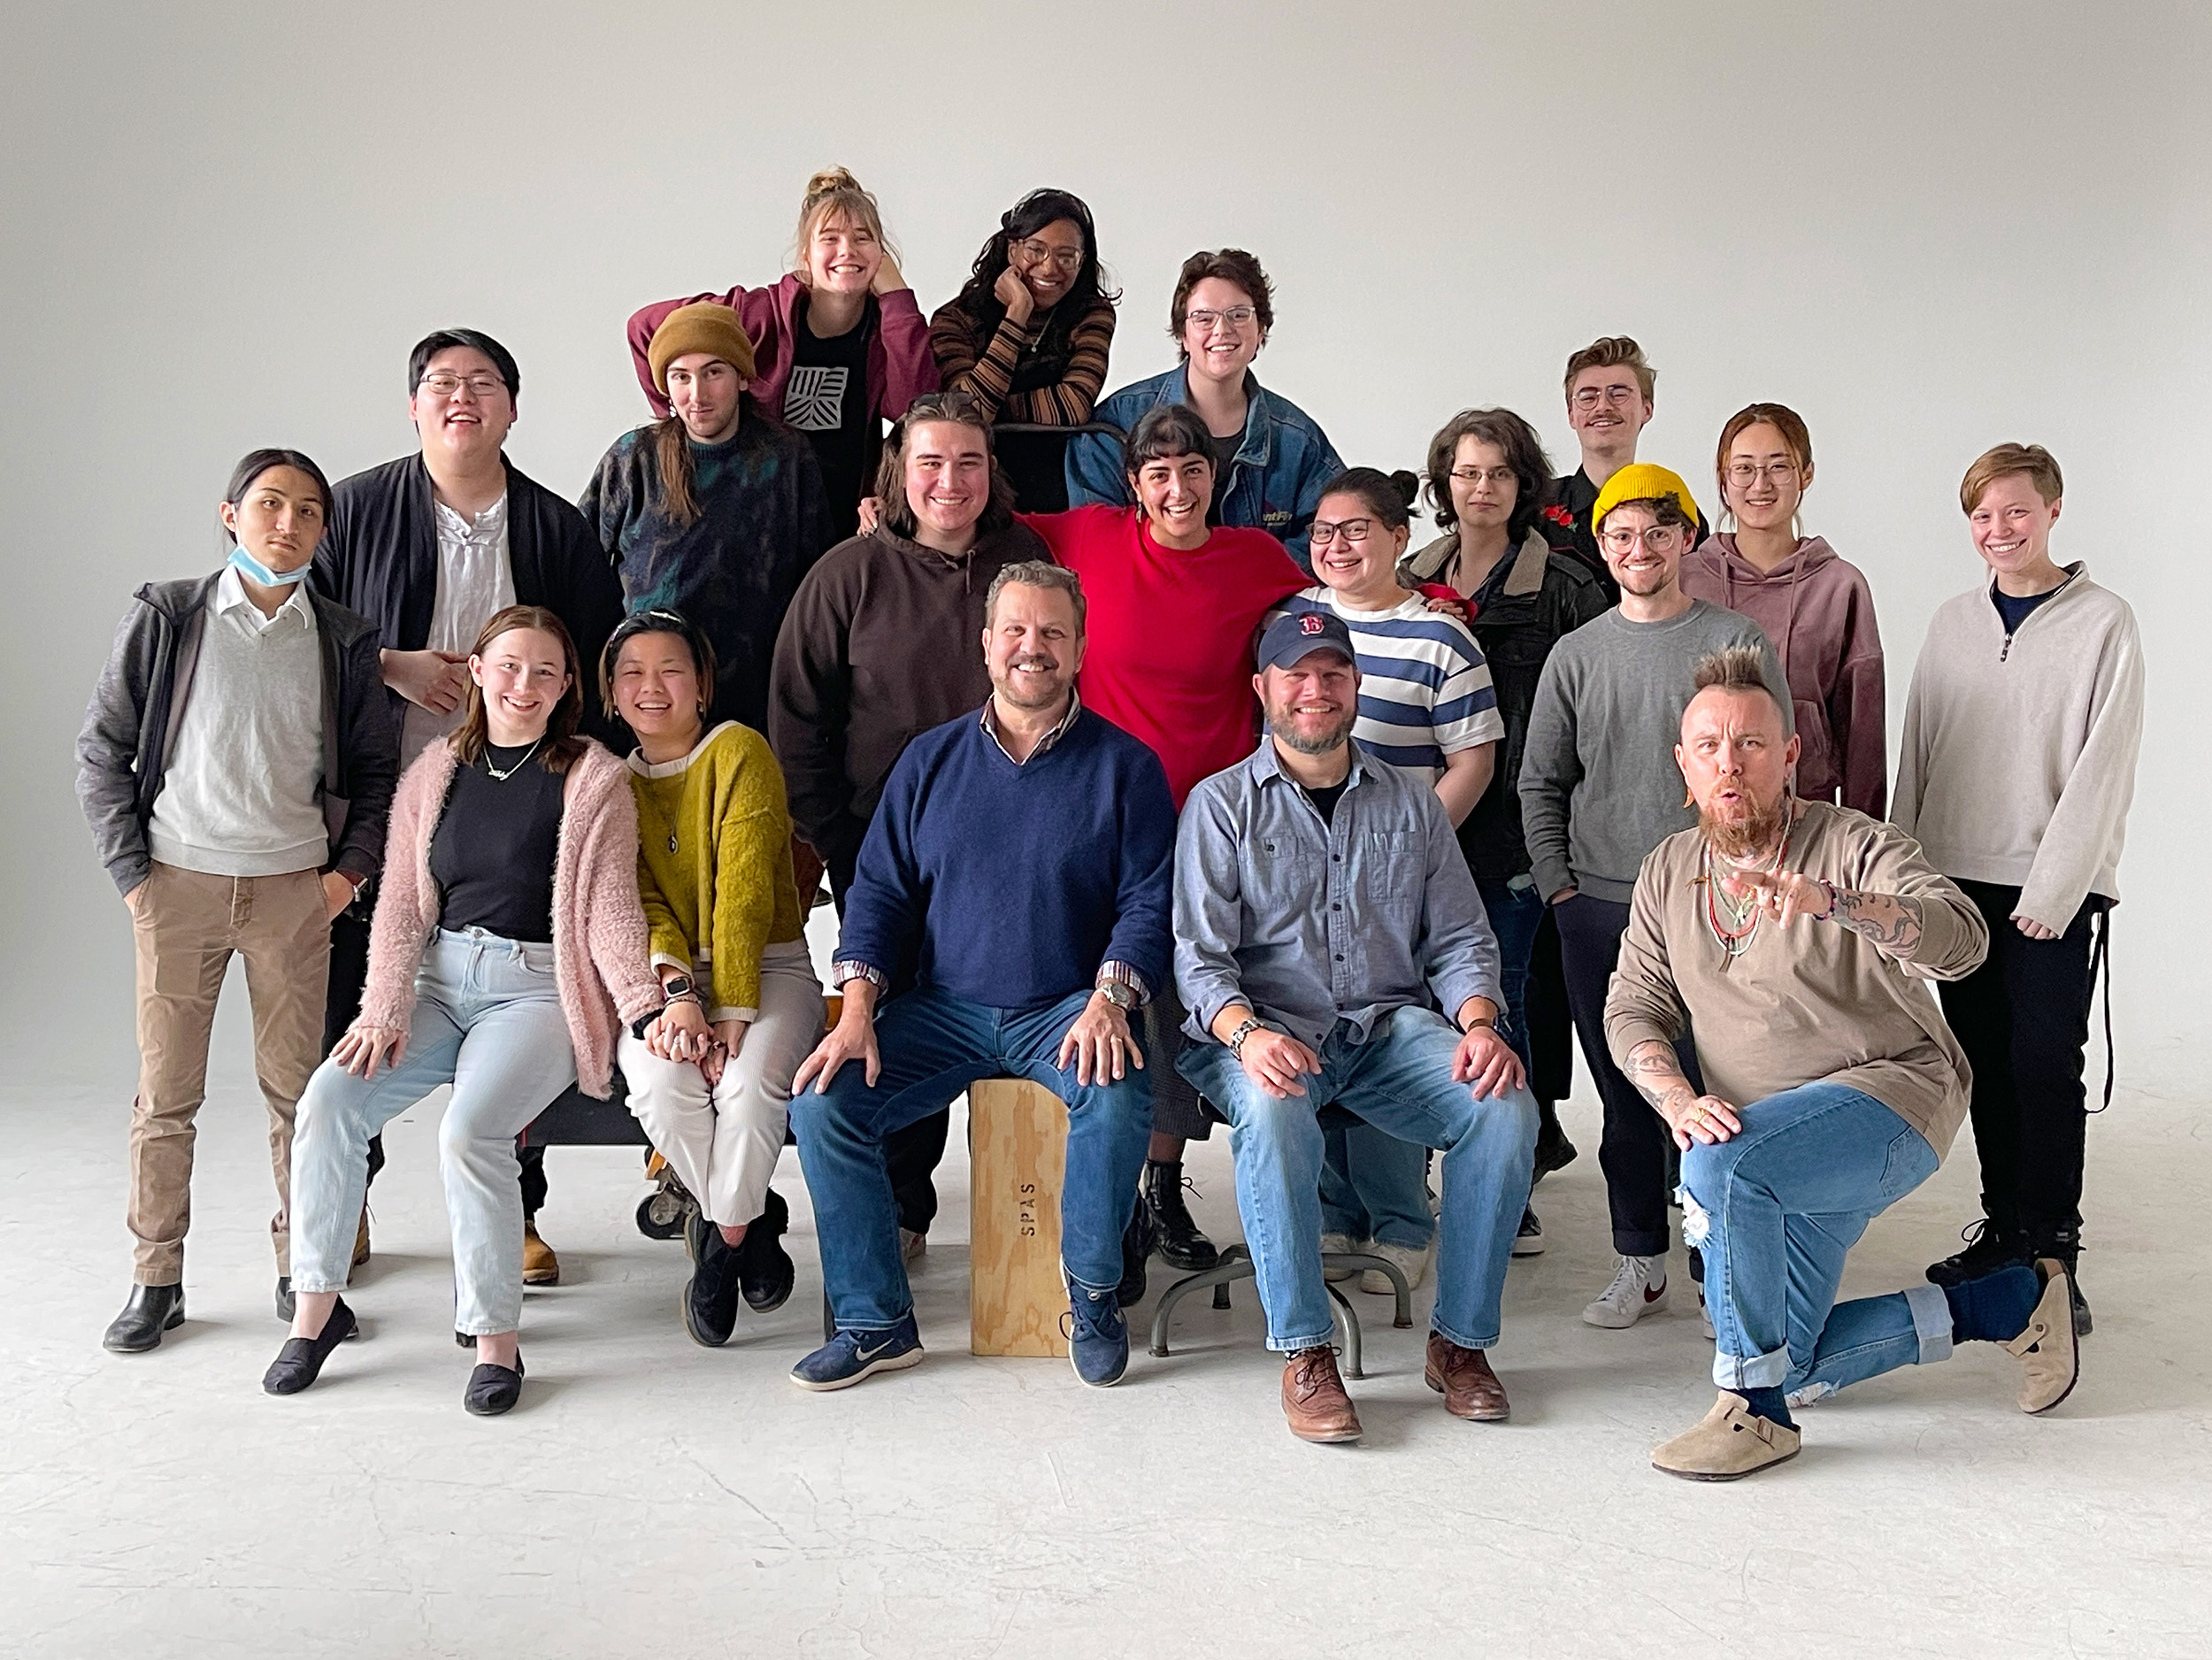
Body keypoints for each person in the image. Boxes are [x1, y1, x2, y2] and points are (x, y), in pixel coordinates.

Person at [1607, 646, 2078, 1481]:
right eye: (1709, 747)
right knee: (1795, 1357)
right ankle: (2010, 1303)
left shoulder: (1853, 843)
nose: (1731, 763)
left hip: (1888, 1099)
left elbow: (1962, 943)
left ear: (1789, 755)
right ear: (1684, 767)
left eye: (1751, 744)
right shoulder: (1668, 870)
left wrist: (1838, 904)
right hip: (1765, 1145)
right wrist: (1675, 1097)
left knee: (1719, 1171)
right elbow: (1633, 1007)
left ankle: (1751, 1416)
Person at [263, 607, 664, 1415]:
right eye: (510, 666)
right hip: (439, 985)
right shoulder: (436, 771)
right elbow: (404, 908)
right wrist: (382, 1009)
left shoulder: (595, 778)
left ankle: (494, 1341)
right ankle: (316, 1311)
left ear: (567, 688)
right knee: (330, 1101)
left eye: (546, 672)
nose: (526, 685)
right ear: (477, 672)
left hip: (538, 989)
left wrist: (647, 1011)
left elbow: (613, 914)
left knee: (470, 1131)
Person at [787, 563, 1175, 1392]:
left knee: (1117, 1090)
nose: (1032, 648)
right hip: (946, 1008)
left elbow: (1148, 902)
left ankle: (1095, 1295)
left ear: (1078, 649)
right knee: (824, 1103)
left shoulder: (1127, 768)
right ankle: (875, 1321)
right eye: (1016, 631)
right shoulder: (929, 762)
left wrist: (1110, 1001)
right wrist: (856, 1010)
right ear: (986, 645)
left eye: (1052, 634)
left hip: (1065, 1008)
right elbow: (882, 894)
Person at [1176, 611, 1539, 1443]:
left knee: (1503, 1105)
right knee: (1271, 1111)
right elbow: (1198, 962)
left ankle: (1461, 1343)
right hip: (1262, 1033)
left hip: (1381, 1030)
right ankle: (1305, 1353)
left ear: (1355, 687)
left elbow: (1457, 939)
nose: (1316, 690)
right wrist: (1247, 1035)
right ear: (1263, 688)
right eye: (1295, 674)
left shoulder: (1412, 805)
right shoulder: (1220, 805)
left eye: (1332, 673)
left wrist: (1479, 1022)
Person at [313, 327, 627, 1281]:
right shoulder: (359, 509)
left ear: (512, 408)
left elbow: (599, 651)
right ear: (414, 406)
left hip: (517, 801)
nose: (462, 398)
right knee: (356, 997)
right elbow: (300, 635)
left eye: (482, 383)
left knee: (521, 1010)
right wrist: (386, 665)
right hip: (384, 799)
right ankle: (347, 1199)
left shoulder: (551, 526)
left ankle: (516, 1210)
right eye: (441, 384)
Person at [76, 451, 399, 1353]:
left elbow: (374, 775)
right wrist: (134, 877)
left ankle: (307, 1279)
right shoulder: (170, 615)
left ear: (323, 532)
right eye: (268, 504)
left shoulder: (341, 636)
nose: (286, 523)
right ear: (230, 515)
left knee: (302, 1098)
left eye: (306, 511)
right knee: (166, 1096)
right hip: (176, 884)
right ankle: (156, 1279)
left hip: (295, 893)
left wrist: (343, 881)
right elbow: (101, 746)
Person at [1024, 403, 1310, 1272]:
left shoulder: (1253, 559)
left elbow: (1330, 604)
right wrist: (883, 511)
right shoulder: (1087, 537)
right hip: (1098, 819)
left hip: (1208, 830)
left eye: (1191, 471)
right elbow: (980, 527)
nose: (1177, 488)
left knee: (1180, 1007)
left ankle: (1160, 1186)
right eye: (1159, 474)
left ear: (1211, 478)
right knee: (1097, 999)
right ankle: (1098, 1198)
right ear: (1135, 485)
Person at [770, 392, 1052, 1257]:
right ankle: (902, 1207)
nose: (949, 480)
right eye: (929, 461)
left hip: (1018, 857)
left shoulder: (1024, 557)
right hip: (881, 856)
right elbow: (796, 717)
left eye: (968, 460)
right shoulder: (848, 574)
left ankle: (1031, 1236)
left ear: (989, 471)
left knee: (1019, 1026)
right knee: (894, 1025)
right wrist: (842, 838)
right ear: (897, 473)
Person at [1517, 464, 1786, 1330]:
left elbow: (1774, 768)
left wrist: (1757, 872)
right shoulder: (1578, 653)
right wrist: (1560, 883)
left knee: (1720, 1086)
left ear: (1687, 536)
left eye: (1657, 531)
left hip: (1718, 901)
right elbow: (1540, 781)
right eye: (1620, 534)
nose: (1639, 548)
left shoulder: (1734, 643)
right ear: (1601, 546)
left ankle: (1718, 1267)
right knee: (1630, 1090)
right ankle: (1640, 1259)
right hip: (1599, 905)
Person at [1893, 443, 2143, 1337]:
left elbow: (2103, 769)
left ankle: (2052, 1255)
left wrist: (2057, 887)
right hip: (1956, 887)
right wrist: (1909, 880)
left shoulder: (2104, 622)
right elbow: (1917, 750)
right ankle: (2003, 1232)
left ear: (2053, 510)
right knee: (1983, 1066)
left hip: (2050, 889)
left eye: (2015, 512)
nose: (1997, 530)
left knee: (2043, 1068)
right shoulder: (1952, 622)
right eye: (1981, 516)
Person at [1275, 468, 1505, 1295]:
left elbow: (1471, 756)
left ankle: (1404, 1220)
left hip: (1402, 873)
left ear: (1398, 538)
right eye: (1323, 532)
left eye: (1356, 530)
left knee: (1387, 1036)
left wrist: (1408, 848)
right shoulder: (1295, 620)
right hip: (1301, 874)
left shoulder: (1441, 638)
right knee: (1313, 1027)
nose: (1337, 546)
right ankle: (1337, 1214)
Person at [1401, 408, 1610, 1257]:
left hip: (1515, 834)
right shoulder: (1409, 575)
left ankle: (1506, 1181)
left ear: (1524, 484)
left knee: (1503, 1002)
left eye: (1498, 473)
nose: (1480, 488)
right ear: (1443, 483)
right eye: (1465, 473)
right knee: (1416, 1002)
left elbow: (1592, 720)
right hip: (1418, 827)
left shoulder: (1565, 586)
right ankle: (1410, 1171)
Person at [602, 611, 821, 1347]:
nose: (651, 686)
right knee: (660, 1085)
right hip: (666, 982)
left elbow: (746, 891)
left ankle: (718, 1252)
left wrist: (730, 1009)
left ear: (701, 685)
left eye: (671, 669)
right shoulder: (609, 783)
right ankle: (750, 1228)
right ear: (610, 692)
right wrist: (680, 998)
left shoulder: (739, 752)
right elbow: (639, 899)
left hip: (770, 963)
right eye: (632, 672)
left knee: (744, 1084)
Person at [627, 167, 939, 540]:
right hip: (755, 522)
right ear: (805, 254)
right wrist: (682, 425)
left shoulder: (884, 329)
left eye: (863, 238)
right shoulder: (756, 313)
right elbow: (643, 328)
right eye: (830, 238)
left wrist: (897, 294)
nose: (847, 250)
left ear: (881, 254)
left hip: (841, 526)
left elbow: (917, 408)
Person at [582, 302, 834, 734]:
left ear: (742, 378)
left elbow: (818, 578)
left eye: (713, 372)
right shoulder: (633, 458)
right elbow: (579, 569)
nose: (696, 394)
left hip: (754, 700)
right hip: (646, 699)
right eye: (681, 377)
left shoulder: (786, 459)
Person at [1064, 248, 1342, 571]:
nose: (1222, 330)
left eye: (1239, 315)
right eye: (1204, 318)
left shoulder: (1297, 438)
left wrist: (1246, 575)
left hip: (1260, 613)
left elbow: (1334, 531)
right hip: (1147, 607)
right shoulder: (1116, 424)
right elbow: (1094, 536)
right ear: (1183, 334)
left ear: (1261, 329)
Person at [1682, 403, 1886, 816]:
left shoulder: (1840, 585)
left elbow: (1863, 729)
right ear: (1723, 478)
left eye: (1778, 466)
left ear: (1805, 474)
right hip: (1698, 815)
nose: (1761, 484)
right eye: (1744, 468)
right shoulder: (1686, 580)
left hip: (1807, 812)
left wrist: (1866, 834)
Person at [928, 188, 1118, 511]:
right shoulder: (955, 319)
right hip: (974, 486)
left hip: (1065, 488)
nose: (1049, 268)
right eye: (1036, 250)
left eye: (1066, 256)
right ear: (1012, 249)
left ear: (1082, 261)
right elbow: (966, 415)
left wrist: (989, 408)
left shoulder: (1093, 314)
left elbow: (1073, 406)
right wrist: (1018, 311)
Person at [1545, 335, 1662, 596]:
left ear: (1647, 409)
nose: (1603, 406)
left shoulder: (1674, 510)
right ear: (1571, 415)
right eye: (1588, 397)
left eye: (1619, 394)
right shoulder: (1536, 510)